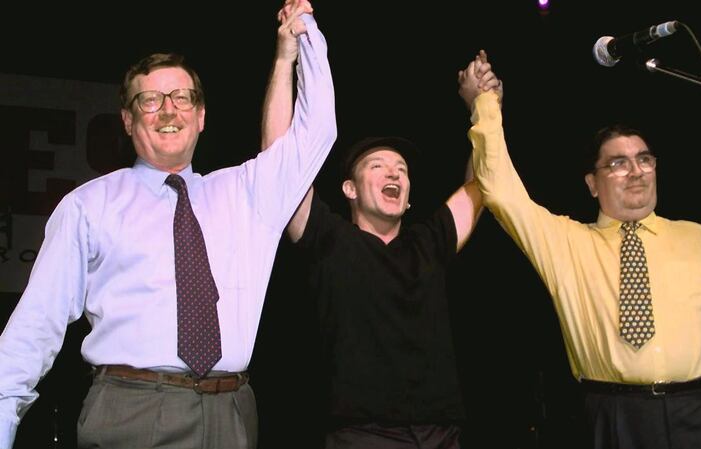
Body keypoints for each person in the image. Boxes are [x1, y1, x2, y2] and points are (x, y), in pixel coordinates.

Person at [0, 1, 335, 448]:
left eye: (181, 98)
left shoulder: (246, 194)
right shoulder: (90, 205)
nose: (168, 111)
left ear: (201, 116)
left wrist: (299, 40)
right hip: (132, 409)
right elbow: (37, 323)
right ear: (128, 120)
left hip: (232, 412)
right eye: (150, 100)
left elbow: (316, 133)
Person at [467, 54, 701, 448]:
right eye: (618, 164)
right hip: (616, 417)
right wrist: (485, 104)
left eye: (644, 160)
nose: (637, 171)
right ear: (592, 184)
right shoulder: (566, 243)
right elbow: (501, 192)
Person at [261, 49, 500, 448]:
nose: (393, 172)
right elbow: (277, 163)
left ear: (408, 197)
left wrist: (485, 108)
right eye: (377, 166)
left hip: (441, 433)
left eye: (401, 170)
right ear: (349, 189)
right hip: (363, 435)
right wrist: (286, 59)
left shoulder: (430, 242)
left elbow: (481, 185)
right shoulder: (329, 239)